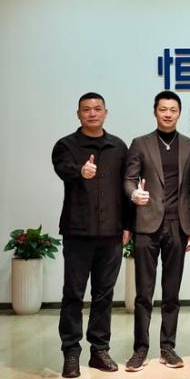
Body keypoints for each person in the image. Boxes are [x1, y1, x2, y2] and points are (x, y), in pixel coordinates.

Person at [52, 92, 130, 378]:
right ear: (78, 114)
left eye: (97, 109)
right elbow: (62, 169)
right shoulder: (65, 145)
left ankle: (99, 350)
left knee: (104, 294)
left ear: (105, 113)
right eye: (86, 109)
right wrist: (80, 171)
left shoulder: (118, 146)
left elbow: (126, 188)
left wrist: (127, 225)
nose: (92, 113)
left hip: (111, 233)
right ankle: (71, 352)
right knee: (73, 293)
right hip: (78, 232)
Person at [123, 90, 190, 371]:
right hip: (146, 224)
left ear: (179, 113)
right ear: (155, 112)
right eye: (163, 109)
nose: (168, 114)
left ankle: (168, 347)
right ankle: (140, 349)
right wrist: (134, 194)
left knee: (171, 291)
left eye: (173, 110)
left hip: (178, 225)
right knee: (144, 292)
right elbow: (129, 179)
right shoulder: (140, 144)